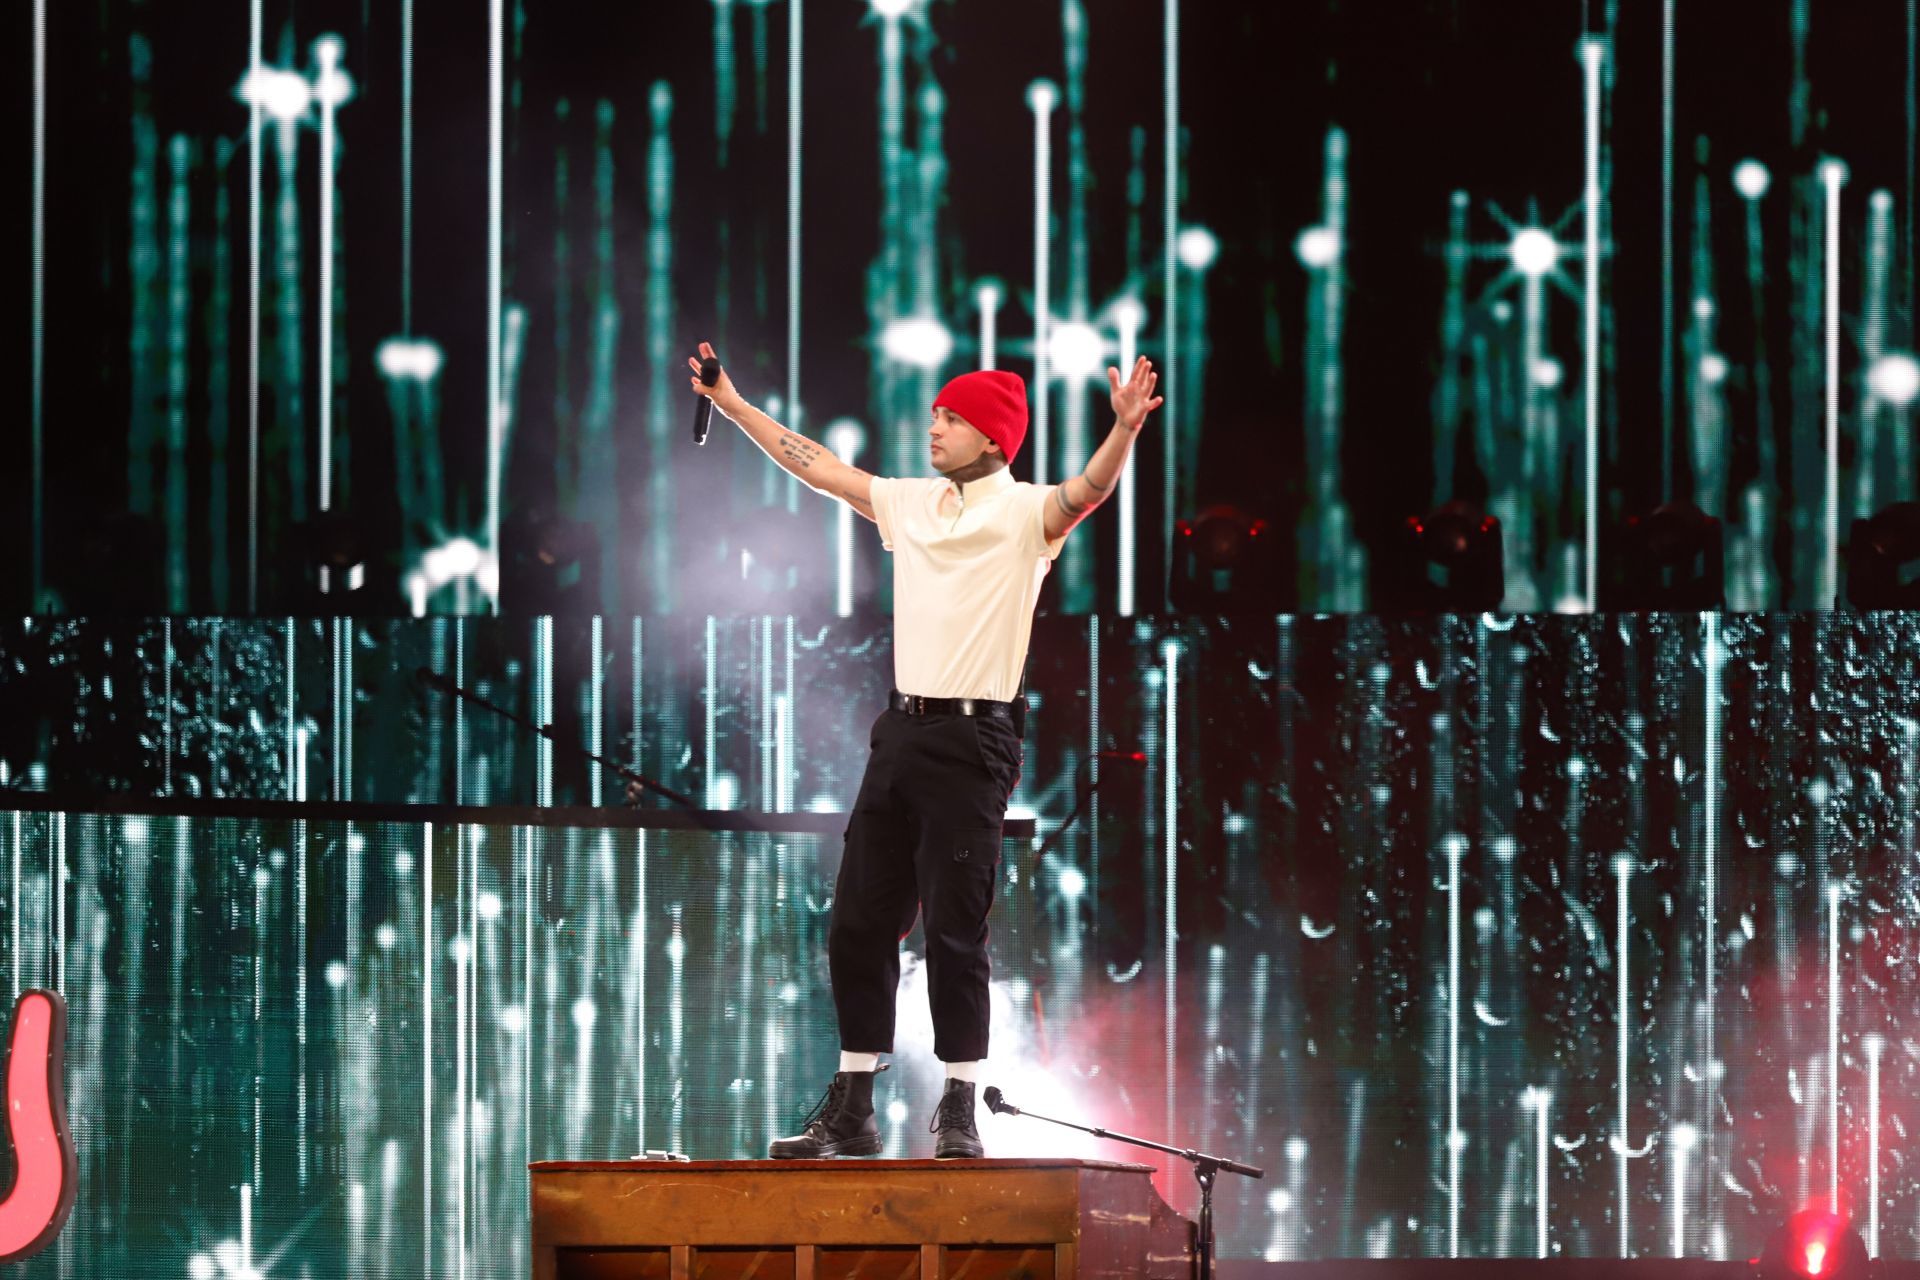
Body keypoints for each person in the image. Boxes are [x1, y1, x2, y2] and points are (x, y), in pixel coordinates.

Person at [685, 340, 1162, 1158]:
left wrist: (1120, 432)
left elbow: (1090, 491)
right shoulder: (913, 504)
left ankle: (960, 1107)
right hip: (900, 731)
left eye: (951, 418)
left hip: (974, 738)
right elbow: (818, 466)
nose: (933, 428)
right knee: (859, 924)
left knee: (953, 931)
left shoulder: (1026, 514)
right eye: (936, 414)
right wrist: (730, 401)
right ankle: (853, 1109)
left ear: (992, 436)